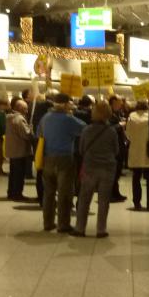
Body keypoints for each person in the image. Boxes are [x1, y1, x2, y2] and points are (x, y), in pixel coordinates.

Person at [38, 93, 86, 232]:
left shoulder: (45, 118)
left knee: (49, 193)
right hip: (64, 159)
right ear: (65, 104)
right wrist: (72, 114)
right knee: (65, 193)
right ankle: (63, 224)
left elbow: (38, 134)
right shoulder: (68, 119)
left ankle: (48, 223)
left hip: (47, 158)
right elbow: (84, 128)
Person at [72, 101, 119, 238]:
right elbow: (116, 150)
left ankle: (80, 228)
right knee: (104, 200)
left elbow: (81, 149)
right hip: (107, 168)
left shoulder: (86, 130)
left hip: (90, 167)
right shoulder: (112, 131)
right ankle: (101, 229)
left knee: (84, 199)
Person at [126, 101, 149, 211]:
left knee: (136, 178)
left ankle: (136, 202)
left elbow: (128, 134)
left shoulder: (131, 117)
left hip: (135, 151)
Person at [6, 100, 33, 201]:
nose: (27, 111)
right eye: (25, 108)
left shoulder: (9, 117)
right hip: (20, 149)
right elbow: (26, 134)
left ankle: (11, 192)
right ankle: (17, 194)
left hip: (12, 149)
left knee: (13, 173)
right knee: (19, 174)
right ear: (20, 108)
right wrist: (30, 129)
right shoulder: (20, 119)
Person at [108, 95, 128, 203]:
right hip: (114, 146)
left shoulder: (117, 113)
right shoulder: (109, 114)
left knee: (117, 171)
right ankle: (111, 193)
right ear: (113, 103)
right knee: (114, 172)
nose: (121, 104)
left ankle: (116, 192)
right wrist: (120, 125)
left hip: (119, 144)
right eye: (119, 102)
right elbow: (109, 129)